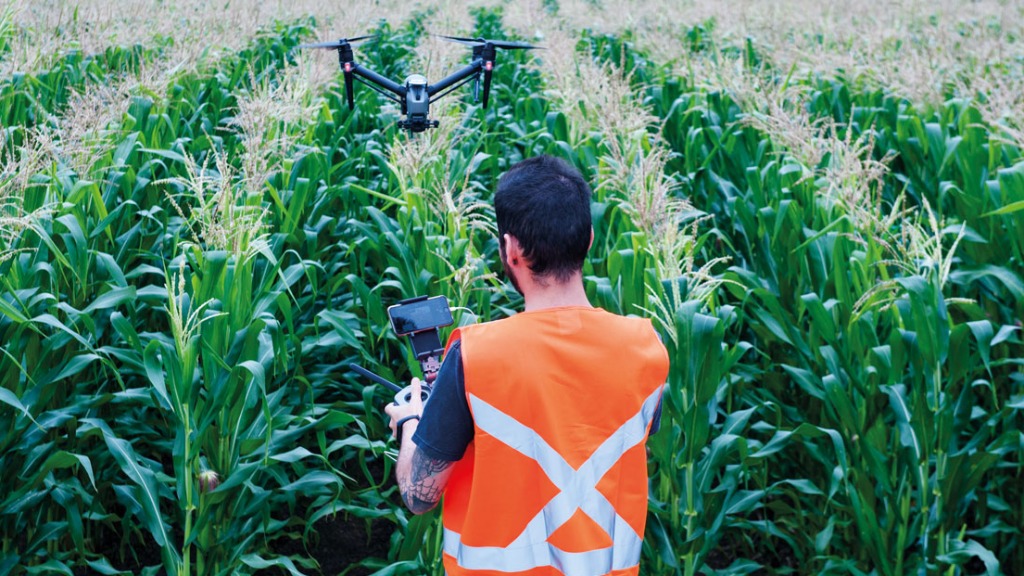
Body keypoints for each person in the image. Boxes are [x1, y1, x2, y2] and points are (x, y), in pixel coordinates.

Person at [384, 155, 670, 576]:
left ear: (511, 249)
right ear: (589, 239)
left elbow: (419, 494)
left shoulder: (476, 356)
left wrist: (413, 420)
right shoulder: (646, 349)